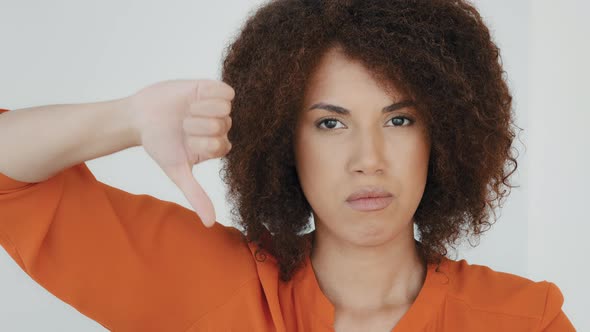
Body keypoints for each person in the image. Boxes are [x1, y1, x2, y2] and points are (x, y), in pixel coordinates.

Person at [0, 0, 576, 331]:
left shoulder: (524, 320)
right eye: (330, 123)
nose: (368, 160)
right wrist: (128, 117)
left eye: (399, 120)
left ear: (443, 135)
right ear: (282, 141)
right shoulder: (208, 287)